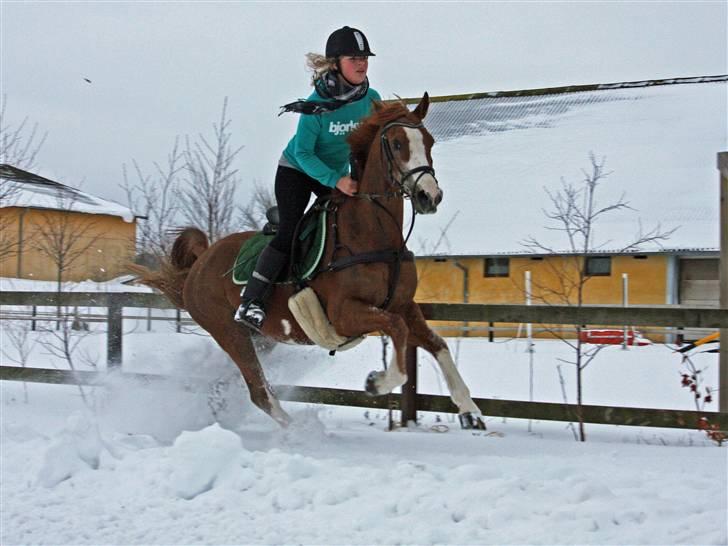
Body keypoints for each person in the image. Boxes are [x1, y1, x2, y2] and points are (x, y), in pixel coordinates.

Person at [234, 26, 381, 330]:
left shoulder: (372, 98)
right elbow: (303, 154)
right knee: (290, 232)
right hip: (297, 171)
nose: (362, 63)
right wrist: (336, 180)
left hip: (334, 175)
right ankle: (252, 302)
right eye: (354, 58)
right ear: (336, 62)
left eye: (364, 57)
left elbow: (370, 144)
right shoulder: (316, 105)